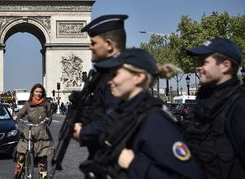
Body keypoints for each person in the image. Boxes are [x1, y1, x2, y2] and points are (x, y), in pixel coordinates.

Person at [80, 48, 204, 179]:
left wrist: (133, 164)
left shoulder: (155, 120)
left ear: (138, 77)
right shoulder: (126, 113)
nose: (109, 81)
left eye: (115, 74)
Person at [184, 38, 245, 178]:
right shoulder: (204, 101)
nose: (198, 67)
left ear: (225, 66)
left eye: (204, 62)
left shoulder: (239, 105)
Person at [72, 14, 128, 159]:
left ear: (109, 44)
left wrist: (83, 133)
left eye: (93, 43)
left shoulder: (117, 75)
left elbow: (116, 119)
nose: (89, 47)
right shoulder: (102, 74)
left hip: (114, 159)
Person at [13, 83, 53, 179]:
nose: (38, 94)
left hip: (42, 133)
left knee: (43, 160)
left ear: (43, 93)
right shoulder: (28, 104)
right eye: (36, 91)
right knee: (21, 157)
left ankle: (43, 177)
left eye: (40, 92)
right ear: (33, 93)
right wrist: (16, 117)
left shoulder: (46, 104)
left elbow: (49, 115)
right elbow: (21, 113)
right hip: (29, 132)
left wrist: (48, 120)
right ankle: (17, 176)